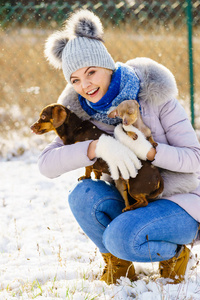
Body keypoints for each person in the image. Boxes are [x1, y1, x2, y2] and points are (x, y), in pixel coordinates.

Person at [39, 9, 200, 284]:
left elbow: (195, 159)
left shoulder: (154, 95)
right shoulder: (80, 111)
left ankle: (173, 253)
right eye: (75, 80)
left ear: (108, 66)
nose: (86, 85)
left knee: (120, 237)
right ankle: (119, 266)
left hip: (179, 203)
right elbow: (46, 164)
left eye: (91, 72)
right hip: (131, 200)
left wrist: (149, 152)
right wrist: (96, 148)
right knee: (82, 194)